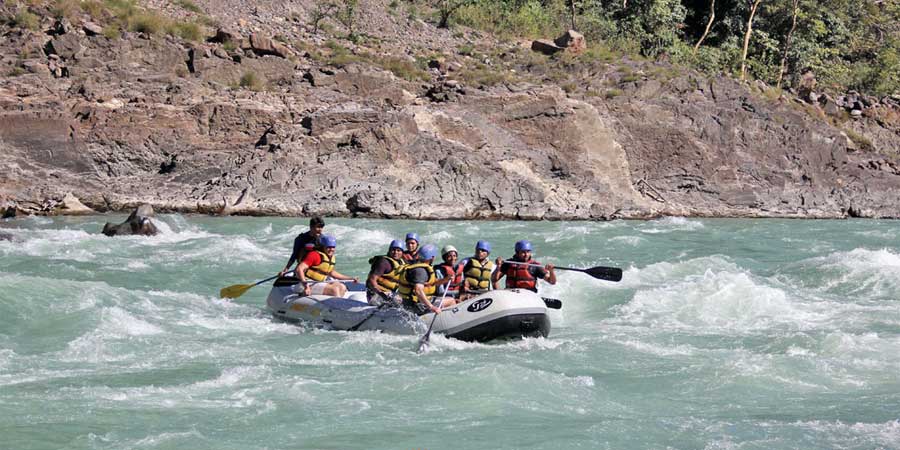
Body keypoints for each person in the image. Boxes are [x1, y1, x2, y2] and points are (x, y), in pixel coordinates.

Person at [492, 240, 556, 293]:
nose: (526, 255)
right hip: (511, 295)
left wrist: (551, 271)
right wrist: (498, 267)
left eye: (528, 252)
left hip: (528, 295)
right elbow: (494, 279)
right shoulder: (508, 263)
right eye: (523, 252)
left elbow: (552, 282)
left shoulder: (535, 266)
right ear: (517, 253)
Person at [396, 244, 442, 316]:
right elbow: (418, 290)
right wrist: (431, 307)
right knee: (451, 300)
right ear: (432, 257)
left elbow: (433, 282)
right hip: (418, 306)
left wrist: (447, 278)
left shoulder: (415, 266)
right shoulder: (421, 271)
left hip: (408, 304)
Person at [366, 239, 407, 305]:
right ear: (389, 250)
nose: (395, 252)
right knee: (398, 301)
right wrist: (382, 294)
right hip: (375, 295)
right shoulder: (383, 262)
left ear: (402, 252)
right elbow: (372, 280)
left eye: (398, 250)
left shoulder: (402, 263)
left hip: (390, 293)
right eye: (393, 250)